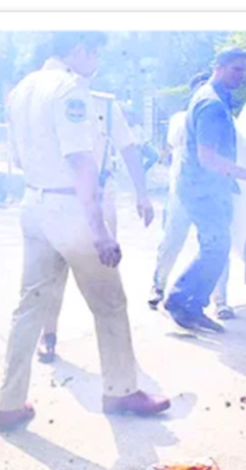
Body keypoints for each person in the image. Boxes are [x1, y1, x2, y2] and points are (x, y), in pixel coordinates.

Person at [0, 31, 170, 432]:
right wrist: (99, 231)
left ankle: (8, 403)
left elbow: (19, 158)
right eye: (95, 54)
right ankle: (121, 391)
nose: (96, 62)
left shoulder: (22, 89)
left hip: (34, 204)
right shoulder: (70, 88)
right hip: (71, 208)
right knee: (109, 304)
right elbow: (81, 162)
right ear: (78, 50)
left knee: (29, 306)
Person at [163, 47, 246, 333]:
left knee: (215, 247)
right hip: (201, 188)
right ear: (218, 67)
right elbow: (208, 157)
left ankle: (187, 303)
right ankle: (182, 302)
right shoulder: (212, 104)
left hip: (205, 187)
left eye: (243, 70)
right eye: (235, 70)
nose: (241, 76)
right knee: (216, 247)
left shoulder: (214, 97)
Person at [36, 88, 155, 364]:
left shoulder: (106, 105)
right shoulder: (48, 101)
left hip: (101, 196)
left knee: (105, 269)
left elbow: (128, 147)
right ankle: (48, 335)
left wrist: (142, 193)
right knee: (54, 271)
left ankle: (115, 346)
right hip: (60, 198)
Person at [149, 70, 236, 316]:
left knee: (216, 245)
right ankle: (158, 287)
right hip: (183, 191)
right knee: (172, 240)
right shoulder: (181, 119)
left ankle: (221, 301)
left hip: (215, 191)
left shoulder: (223, 115)